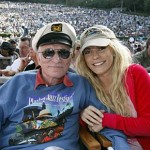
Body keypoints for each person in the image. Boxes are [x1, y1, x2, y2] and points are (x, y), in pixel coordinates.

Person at [0, 22, 107, 150]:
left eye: (63, 53)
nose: (56, 59)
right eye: (48, 53)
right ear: (38, 57)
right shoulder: (18, 83)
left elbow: (105, 121)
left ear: (71, 57)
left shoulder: (81, 85)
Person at [76, 25, 150, 150]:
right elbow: (80, 124)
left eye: (101, 48)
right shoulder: (86, 83)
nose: (95, 56)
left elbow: (148, 125)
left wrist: (107, 120)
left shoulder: (135, 74)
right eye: (88, 51)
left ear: (114, 50)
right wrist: (83, 115)